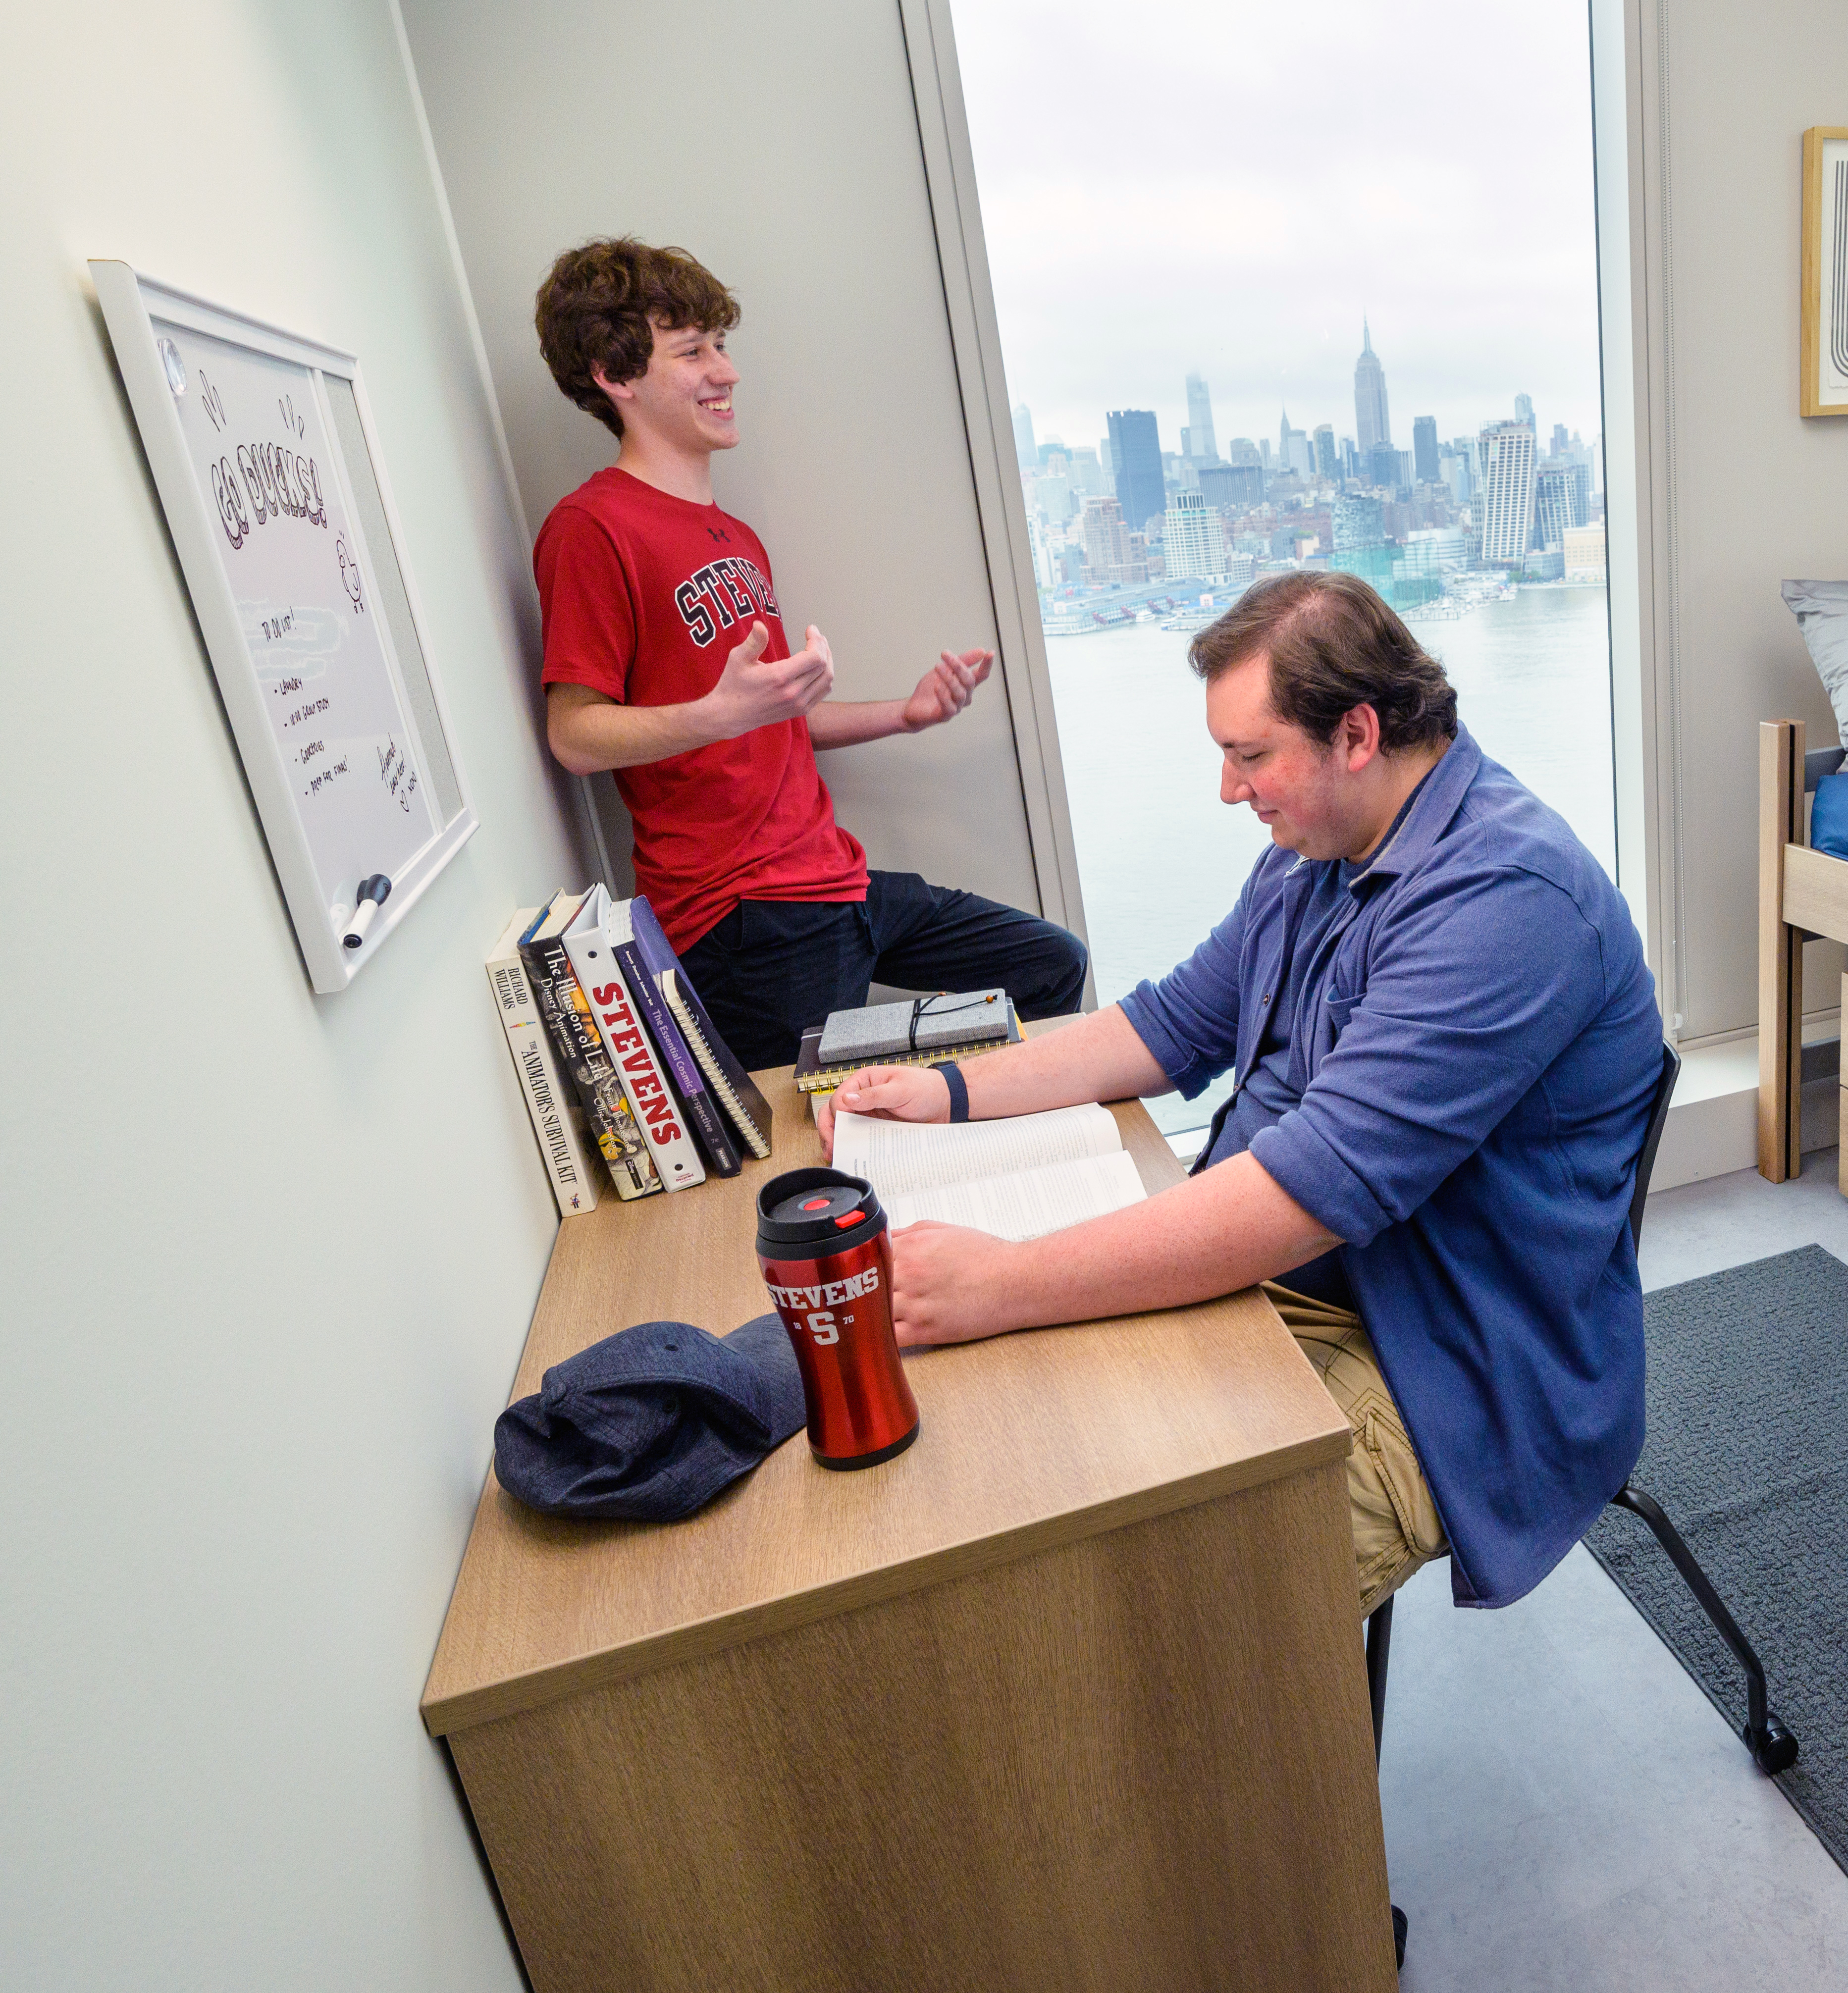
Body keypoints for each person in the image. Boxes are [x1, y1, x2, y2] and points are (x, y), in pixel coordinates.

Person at [826, 571, 1664, 1617]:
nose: (1231, 789)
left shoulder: (1506, 903)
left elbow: (1302, 1195)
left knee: (1163, 1613)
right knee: (1016, 1445)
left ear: (1356, 733)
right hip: (1317, 1282)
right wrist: (949, 1088)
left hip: (1447, 1364)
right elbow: (1172, 1021)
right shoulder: (1318, 846)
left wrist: (1000, 1282)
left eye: (1251, 755)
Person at [529, 237, 1086, 1068]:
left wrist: (906, 713)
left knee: (1050, 966)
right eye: (693, 351)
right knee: (814, 1157)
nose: (727, 371)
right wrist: (717, 712)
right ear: (618, 378)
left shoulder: (734, 534)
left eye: (721, 345)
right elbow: (574, 735)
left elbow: (774, 722)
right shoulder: (591, 527)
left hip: (835, 881)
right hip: (742, 919)